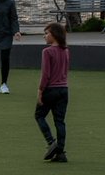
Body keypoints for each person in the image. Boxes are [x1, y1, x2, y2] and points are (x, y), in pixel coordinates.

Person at [35, 21, 70, 164]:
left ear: (54, 35)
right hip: (64, 89)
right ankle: (60, 153)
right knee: (60, 121)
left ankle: (51, 142)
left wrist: (40, 91)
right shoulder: (66, 51)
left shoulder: (47, 52)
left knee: (39, 115)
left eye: (46, 33)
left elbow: (46, 75)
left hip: (51, 89)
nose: (45, 36)